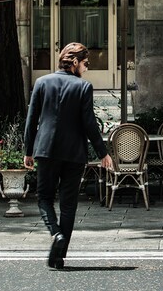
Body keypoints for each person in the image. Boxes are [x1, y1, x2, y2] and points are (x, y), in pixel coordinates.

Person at [23, 41, 113, 270]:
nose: (86, 67)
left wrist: (28, 151)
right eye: (85, 63)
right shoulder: (83, 87)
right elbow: (89, 124)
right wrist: (103, 153)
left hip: (46, 151)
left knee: (44, 197)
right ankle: (59, 256)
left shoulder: (42, 83)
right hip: (74, 153)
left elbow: (31, 120)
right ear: (74, 62)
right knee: (69, 204)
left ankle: (56, 234)